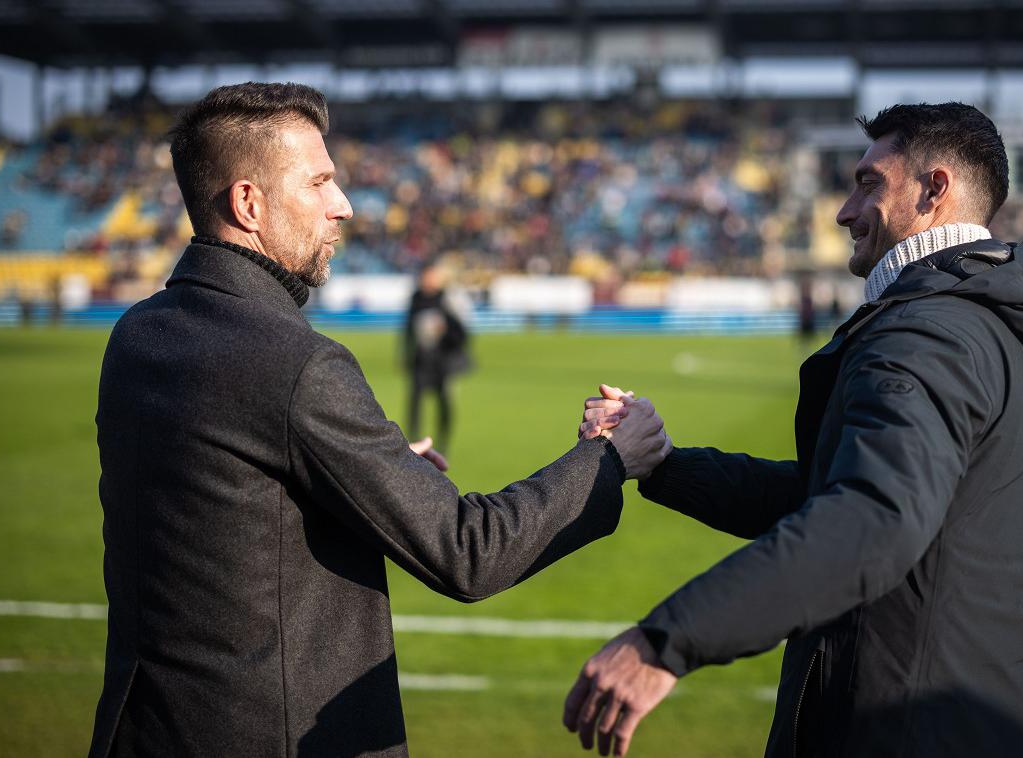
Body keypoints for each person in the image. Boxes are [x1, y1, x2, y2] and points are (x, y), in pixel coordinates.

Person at [90, 82, 671, 758]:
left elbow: (223, 508)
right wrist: (609, 457)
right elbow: (467, 550)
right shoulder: (296, 364)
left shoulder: (137, 335)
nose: (345, 206)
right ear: (249, 203)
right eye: (320, 182)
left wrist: (356, 482)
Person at [566, 103, 1023, 757]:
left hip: (900, 729)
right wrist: (666, 462)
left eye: (868, 183)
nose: (845, 212)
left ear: (935, 189)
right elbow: (839, 493)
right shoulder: (988, 321)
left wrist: (664, 641)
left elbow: (871, 518)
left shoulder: (930, 331)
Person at [404, 262, 468, 453]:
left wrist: (445, 331)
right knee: (415, 404)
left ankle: (442, 443)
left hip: (443, 362)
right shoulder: (416, 299)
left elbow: (462, 334)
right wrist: (406, 353)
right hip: (421, 360)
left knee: (444, 404)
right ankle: (413, 442)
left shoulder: (447, 300)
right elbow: (408, 329)